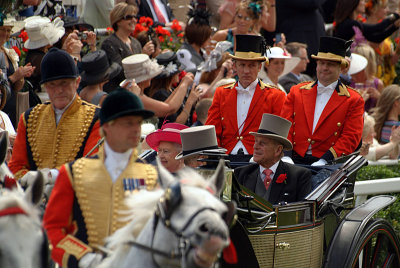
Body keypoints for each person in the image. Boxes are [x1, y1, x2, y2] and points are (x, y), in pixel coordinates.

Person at [43, 88, 158, 268]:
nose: (136, 129)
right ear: (107, 127)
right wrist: (82, 257)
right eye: (128, 123)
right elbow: (53, 229)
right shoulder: (74, 172)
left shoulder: (151, 176)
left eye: (138, 122)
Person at [8, 48, 101, 181]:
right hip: (35, 198)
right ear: (45, 86)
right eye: (52, 85)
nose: (58, 90)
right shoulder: (29, 118)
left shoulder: (96, 117)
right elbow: (15, 167)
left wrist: (51, 176)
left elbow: (93, 167)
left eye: (64, 83)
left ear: (77, 82)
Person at [281, 36, 365, 166]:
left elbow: (350, 137)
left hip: (329, 162)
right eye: (321, 63)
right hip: (293, 160)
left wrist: (326, 159)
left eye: (330, 64)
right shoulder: (296, 91)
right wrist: (286, 155)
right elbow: (285, 124)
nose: (324, 68)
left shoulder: (354, 100)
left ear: (341, 68)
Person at [206, 34, 286, 155]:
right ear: (234, 66)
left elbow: (277, 135)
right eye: (242, 65)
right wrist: (216, 158)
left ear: (259, 67)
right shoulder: (221, 93)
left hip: (259, 160)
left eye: (252, 65)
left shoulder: (275, 95)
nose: (246, 71)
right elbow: (212, 131)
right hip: (226, 158)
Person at [235, 113, 311, 204]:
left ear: (278, 150)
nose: (255, 147)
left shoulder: (299, 176)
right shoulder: (241, 174)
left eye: (262, 143)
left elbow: (302, 214)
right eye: (255, 141)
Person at [101, 2, 155, 92]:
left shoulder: (135, 42)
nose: (134, 20)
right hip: (118, 92)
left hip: (137, 91)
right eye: (129, 17)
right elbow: (120, 72)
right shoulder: (109, 44)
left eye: (135, 17)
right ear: (118, 21)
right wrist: (142, 55)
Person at [148, 51, 202, 128]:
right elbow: (175, 125)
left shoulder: (171, 89)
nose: (179, 73)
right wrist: (189, 102)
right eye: (177, 71)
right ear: (170, 75)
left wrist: (193, 99)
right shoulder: (160, 94)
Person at [0, 17, 35, 128]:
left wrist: (21, 75)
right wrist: (15, 76)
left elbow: (16, 87)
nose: (6, 33)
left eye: (9, 30)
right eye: (3, 29)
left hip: (11, 107)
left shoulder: (7, 52)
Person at [334, 0, 400, 43]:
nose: (365, 3)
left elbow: (376, 38)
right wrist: (396, 14)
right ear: (354, 3)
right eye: (362, 0)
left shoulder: (352, 23)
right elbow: (378, 28)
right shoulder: (349, 24)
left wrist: (394, 27)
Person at [176, 8, 212, 74]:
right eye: (207, 36)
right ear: (200, 37)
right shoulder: (183, 52)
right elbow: (193, 74)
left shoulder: (203, 52)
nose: (210, 38)